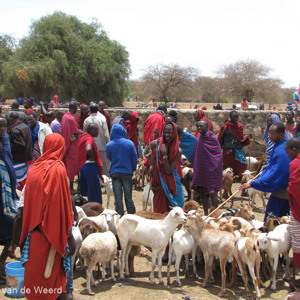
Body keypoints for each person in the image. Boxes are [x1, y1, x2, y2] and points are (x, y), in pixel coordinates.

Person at [20, 133, 75, 300]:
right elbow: (61, 208)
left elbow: (25, 208)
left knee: (35, 283)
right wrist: (69, 237)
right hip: (52, 239)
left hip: (33, 236)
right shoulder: (58, 169)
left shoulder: (33, 170)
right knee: (52, 284)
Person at [240, 122, 290, 221]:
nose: (269, 136)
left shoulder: (282, 150)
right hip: (284, 193)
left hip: (282, 194)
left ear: (281, 134)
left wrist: (253, 184)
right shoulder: (280, 145)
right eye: (269, 133)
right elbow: (273, 166)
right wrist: (267, 167)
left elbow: (277, 173)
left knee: (270, 222)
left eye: (272, 134)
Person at [149, 122, 184, 213]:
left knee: (176, 211)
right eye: (165, 132)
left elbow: (169, 171)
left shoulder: (178, 150)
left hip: (172, 184)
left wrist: (164, 155)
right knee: (160, 214)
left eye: (170, 132)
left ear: (175, 133)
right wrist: (152, 166)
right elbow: (148, 153)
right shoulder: (156, 144)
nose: (167, 135)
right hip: (160, 184)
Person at [0, 116, 18, 283]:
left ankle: (1, 263)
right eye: (0, 126)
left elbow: (7, 159)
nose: (3, 129)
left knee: (13, 230)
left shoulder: (5, 141)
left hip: (6, 195)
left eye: (5, 126)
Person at [191, 120, 223, 215]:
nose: (199, 128)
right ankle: (206, 214)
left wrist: (214, 166)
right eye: (198, 126)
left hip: (212, 170)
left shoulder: (212, 138)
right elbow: (197, 154)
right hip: (202, 170)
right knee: (204, 194)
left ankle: (215, 214)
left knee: (213, 193)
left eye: (202, 126)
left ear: (207, 127)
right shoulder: (199, 138)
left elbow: (218, 154)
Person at [106, 124, 137, 216]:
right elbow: (134, 158)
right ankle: (131, 215)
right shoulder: (130, 143)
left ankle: (120, 215)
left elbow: (109, 157)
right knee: (128, 197)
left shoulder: (109, 145)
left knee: (118, 197)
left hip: (115, 173)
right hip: (127, 172)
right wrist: (133, 169)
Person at [218, 110, 251, 177]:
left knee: (241, 164)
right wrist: (219, 148)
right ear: (230, 117)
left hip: (237, 149)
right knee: (227, 165)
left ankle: (238, 176)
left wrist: (248, 138)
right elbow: (221, 138)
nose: (236, 119)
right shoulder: (226, 127)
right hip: (228, 150)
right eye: (234, 117)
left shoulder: (239, 127)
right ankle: (227, 177)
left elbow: (241, 139)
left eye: (237, 117)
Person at [79, 123, 104, 204]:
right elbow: (88, 148)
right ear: (92, 131)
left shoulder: (83, 137)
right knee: (94, 190)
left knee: (86, 189)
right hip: (90, 166)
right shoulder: (89, 139)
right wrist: (92, 156)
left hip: (83, 166)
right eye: (97, 130)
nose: (98, 132)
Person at [83, 103, 110, 177]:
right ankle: (106, 183)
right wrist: (108, 145)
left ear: (90, 111)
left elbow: (84, 134)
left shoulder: (86, 120)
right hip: (102, 147)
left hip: (90, 147)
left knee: (93, 165)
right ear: (97, 110)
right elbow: (106, 134)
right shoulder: (102, 119)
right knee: (104, 166)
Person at [61, 101, 82, 193]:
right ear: (75, 108)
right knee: (72, 165)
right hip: (72, 144)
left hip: (67, 143)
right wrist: (81, 132)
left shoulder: (65, 116)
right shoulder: (70, 118)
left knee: (70, 165)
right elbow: (75, 133)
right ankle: (71, 187)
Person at [8, 112, 33, 190]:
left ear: (11, 119)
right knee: (27, 182)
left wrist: (8, 147)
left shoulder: (15, 130)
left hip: (20, 162)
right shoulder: (25, 126)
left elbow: (20, 145)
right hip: (28, 158)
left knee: (20, 185)